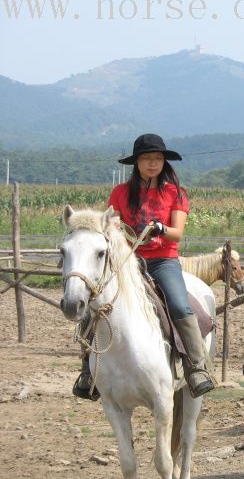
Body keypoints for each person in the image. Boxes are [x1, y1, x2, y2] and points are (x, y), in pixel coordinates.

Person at [72, 133, 215, 400]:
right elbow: (112, 223)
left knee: (180, 304)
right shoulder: (121, 193)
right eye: (147, 159)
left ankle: (196, 366)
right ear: (136, 163)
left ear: (164, 162)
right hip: (128, 260)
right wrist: (113, 227)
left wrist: (162, 228)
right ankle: (88, 370)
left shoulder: (176, 193)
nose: (152, 164)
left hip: (163, 260)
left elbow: (177, 233)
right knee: (95, 303)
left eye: (158, 159)